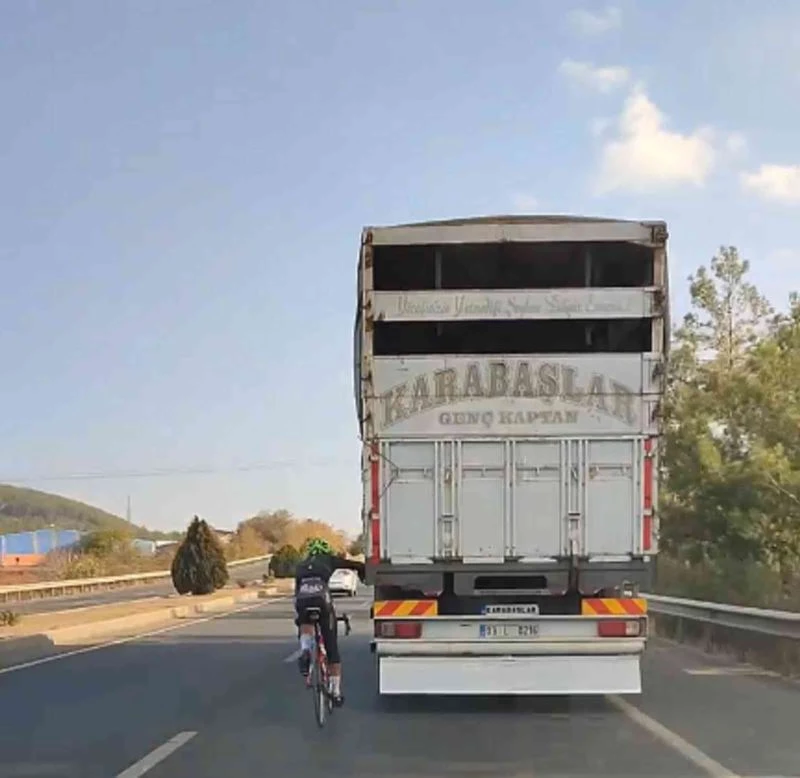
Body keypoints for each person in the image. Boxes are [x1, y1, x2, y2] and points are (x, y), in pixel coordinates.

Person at [293, 536, 366, 707]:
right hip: (322, 601)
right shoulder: (329, 559)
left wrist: (300, 617)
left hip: (302, 600)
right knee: (332, 648)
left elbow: (296, 594)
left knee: (304, 621)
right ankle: (336, 691)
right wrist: (363, 572)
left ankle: (305, 649)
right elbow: (353, 565)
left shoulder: (301, 565)